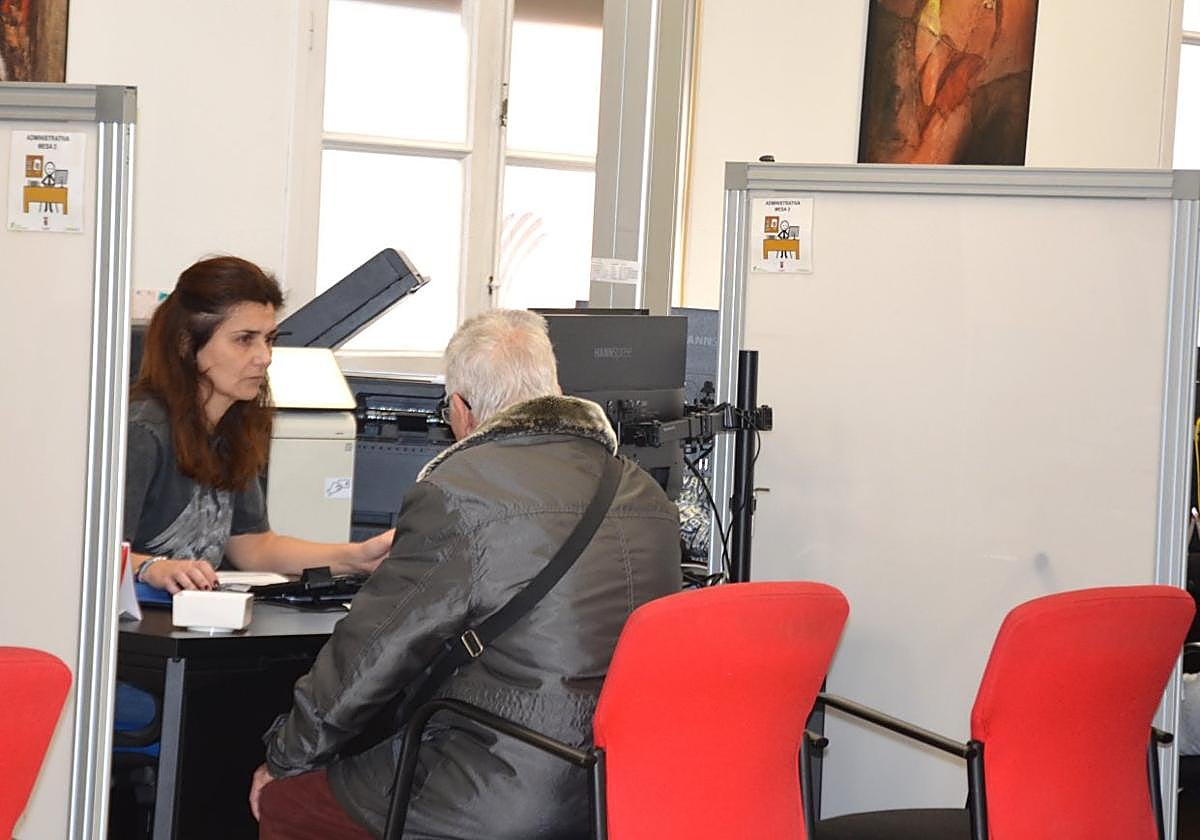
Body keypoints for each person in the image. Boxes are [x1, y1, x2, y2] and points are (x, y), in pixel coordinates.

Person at [251, 309, 682, 839]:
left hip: (501, 790)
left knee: (291, 805)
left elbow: (371, 655)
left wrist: (284, 758)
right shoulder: (645, 494)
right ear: (555, 387)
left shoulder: (459, 492)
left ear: (461, 409)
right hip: (617, 790)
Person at [124, 255, 393, 592]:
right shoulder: (142, 430)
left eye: (269, 339)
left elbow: (254, 548)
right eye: (244, 339)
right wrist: (151, 568)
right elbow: (91, 552)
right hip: (138, 634)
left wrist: (357, 556)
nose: (264, 356)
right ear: (186, 343)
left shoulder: (231, 425)